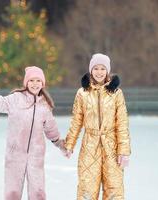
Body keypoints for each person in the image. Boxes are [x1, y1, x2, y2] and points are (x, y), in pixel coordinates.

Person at [0, 66, 65, 200]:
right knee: (12, 192)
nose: (35, 84)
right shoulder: (16, 99)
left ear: (43, 83)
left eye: (38, 80)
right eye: (31, 80)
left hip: (36, 155)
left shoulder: (45, 105)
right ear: (26, 83)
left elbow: (50, 127)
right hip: (15, 154)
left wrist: (58, 142)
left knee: (38, 193)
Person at [64, 53, 131, 200]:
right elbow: (76, 121)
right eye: (96, 68)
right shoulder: (82, 94)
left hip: (111, 147)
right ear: (90, 70)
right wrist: (69, 144)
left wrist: (124, 151)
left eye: (102, 68)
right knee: (87, 189)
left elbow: (122, 123)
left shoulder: (116, 93)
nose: (99, 72)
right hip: (89, 146)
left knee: (114, 189)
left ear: (107, 71)